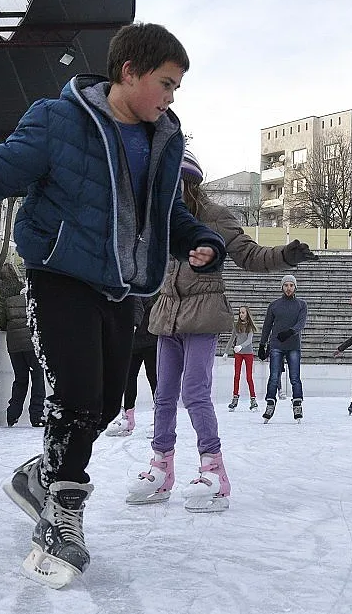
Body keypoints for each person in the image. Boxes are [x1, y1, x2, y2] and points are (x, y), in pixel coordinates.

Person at [0, 23, 227, 588]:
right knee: (78, 399)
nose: (171, 97)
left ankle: (41, 476)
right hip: (58, 275)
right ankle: (61, 518)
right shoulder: (59, 121)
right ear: (129, 71)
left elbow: (162, 215)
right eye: (166, 83)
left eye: (177, 88)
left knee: (107, 404)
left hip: (120, 285)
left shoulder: (165, 137)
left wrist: (197, 240)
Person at [126, 150, 317, 512]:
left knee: (195, 392)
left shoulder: (214, 218)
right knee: (164, 395)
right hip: (167, 316)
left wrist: (285, 255)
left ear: (189, 183)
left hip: (203, 314)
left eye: (172, 182)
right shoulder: (159, 218)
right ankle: (161, 467)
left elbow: (248, 254)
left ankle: (214, 470)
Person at [258, 275, 310, 423]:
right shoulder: (274, 305)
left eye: (291, 285)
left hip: (293, 345)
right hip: (276, 345)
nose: (288, 288)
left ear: (295, 287)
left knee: (295, 377)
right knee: (274, 376)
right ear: (282, 287)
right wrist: (262, 344)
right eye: (286, 285)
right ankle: (270, 402)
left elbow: (301, 323)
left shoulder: (301, 305)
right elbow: (267, 325)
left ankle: (297, 403)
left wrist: (290, 332)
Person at [105, 295, 158, 436]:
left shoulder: (138, 285)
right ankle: (128, 419)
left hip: (150, 337)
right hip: (133, 342)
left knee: (154, 378)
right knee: (128, 378)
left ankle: (160, 418)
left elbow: (137, 305)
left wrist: (132, 326)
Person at [0, 288, 46, 427]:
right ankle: (37, 416)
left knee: (20, 379)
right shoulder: (37, 301)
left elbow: (2, 325)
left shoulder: (9, 302)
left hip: (14, 347)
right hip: (33, 345)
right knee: (38, 379)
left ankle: (12, 415)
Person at [224, 305, 260, 412]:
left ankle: (253, 400)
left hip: (248, 353)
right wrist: (226, 352)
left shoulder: (249, 327)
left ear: (247, 314)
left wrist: (241, 346)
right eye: (240, 313)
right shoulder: (237, 326)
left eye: (243, 312)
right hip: (238, 354)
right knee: (236, 376)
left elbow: (249, 340)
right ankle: (235, 398)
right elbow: (231, 339)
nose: (241, 314)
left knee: (249, 377)